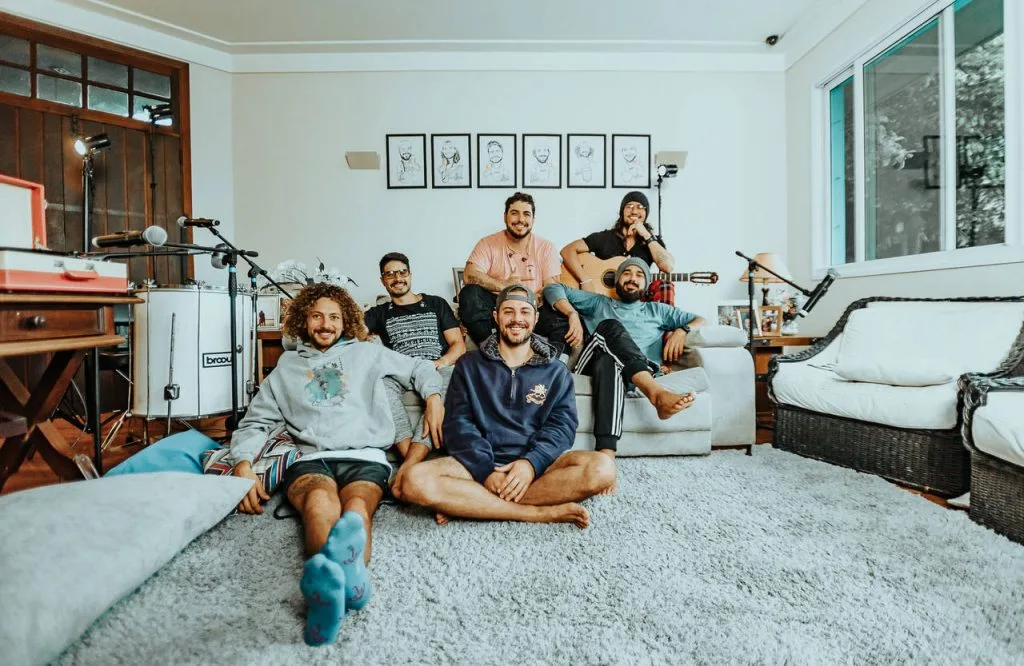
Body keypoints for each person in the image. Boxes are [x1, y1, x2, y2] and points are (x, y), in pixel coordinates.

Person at [230, 283, 443, 646]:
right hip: (311, 458)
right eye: (317, 316)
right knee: (318, 503)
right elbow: (256, 422)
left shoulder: (368, 353)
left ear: (345, 322)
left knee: (357, 509)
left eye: (334, 317)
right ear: (304, 320)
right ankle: (338, 589)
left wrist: (434, 397)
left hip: (366, 456)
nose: (326, 324)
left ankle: (343, 583)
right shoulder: (286, 366)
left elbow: (420, 368)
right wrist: (243, 463)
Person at [396, 284, 615, 528]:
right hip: (476, 464)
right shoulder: (469, 365)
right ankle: (535, 513)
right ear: (496, 316)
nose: (517, 319)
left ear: (535, 318)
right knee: (413, 480)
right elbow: (458, 423)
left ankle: (469, 503)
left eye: (524, 311)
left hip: (537, 467)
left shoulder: (556, 371)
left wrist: (530, 464)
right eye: (508, 311)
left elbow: (562, 427)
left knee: (603, 469)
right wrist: (486, 472)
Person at [543, 258, 704, 474]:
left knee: (610, 361)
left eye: (639, 275)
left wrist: (682, 330)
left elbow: (700, 319)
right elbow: (553, 288)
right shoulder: (599, 303)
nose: (632, 278)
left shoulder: (658, 310)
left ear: (646, 284)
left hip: (618, 371)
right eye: (627, 273)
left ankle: (606, 455)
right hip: (589, 366)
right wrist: (572, 314)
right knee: (610, 326)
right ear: (617, 279)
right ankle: (656, 394)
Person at [364, 251, 465, 456]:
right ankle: (409, 459)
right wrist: (364, 337)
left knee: (455, 376)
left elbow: (458, 345)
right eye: (390, 274)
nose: (397, 278)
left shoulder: (436, 304)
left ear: (410, 274)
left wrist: (440, 363)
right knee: (378, 384)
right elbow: (349, 331)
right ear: (382, 280)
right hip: (400, 372)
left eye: (402, 272)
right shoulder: (378, 313)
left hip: (437, 367)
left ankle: (410, 463)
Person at [458, 192, 562, 348]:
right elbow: (469, 275)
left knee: (563, 314)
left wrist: (527, 299)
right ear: (505, 216)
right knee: (469, 294)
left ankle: (556, 360)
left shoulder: (546, 247)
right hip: (497, 308)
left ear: (533, 219)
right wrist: (504, 286)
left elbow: (552, 287)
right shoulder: (487, 243)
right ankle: (490, 348)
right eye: (514, 213)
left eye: (526, 214)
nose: (521, 219)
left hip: (532, 307)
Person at [560, 191, 675, 302]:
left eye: (640, 207)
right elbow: (567, 251)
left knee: (665, 285)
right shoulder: (604, 237)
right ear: (622, 212)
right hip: (604, 300)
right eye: (629, 206)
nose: (634, 211)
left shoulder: (652, 241)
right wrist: (585, 280)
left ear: (646, 213)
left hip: (636, 299)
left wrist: (646, 234)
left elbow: (667, 267)